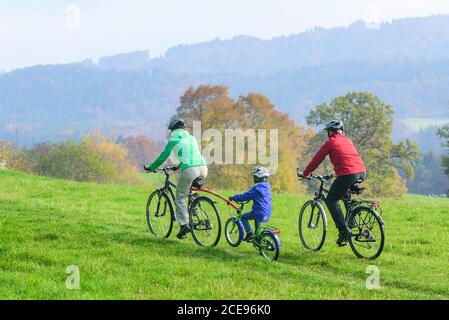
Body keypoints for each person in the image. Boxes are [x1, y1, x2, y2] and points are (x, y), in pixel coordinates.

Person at [298, 120, 366, 247]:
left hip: (348, 174)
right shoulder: (347, 140)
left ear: (330, 132)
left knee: (331, 200)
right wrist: (335, 173)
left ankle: (344, 231)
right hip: (361, 172)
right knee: (345, 194)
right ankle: (352, 221)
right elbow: (347, 159)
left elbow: (316, 160)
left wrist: (306, 173)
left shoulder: (331, 142)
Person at [144, 117, 208, 240]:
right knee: (189, 190)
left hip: (190, 170)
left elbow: (163, 157)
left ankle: (184, 225)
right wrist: (178, 166)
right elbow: (191, 155)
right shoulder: (191, 138)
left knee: (179, 198)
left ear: (172, 130)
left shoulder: (173, 139)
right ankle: (195, 204)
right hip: (203, 168)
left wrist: (151, 167)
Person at [229, 166, 272, 242]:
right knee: (257, 229)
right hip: (267, 212)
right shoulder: (267, 187)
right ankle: (259, 242)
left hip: (258, 212)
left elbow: (244, 196)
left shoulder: (256, 189)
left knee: (243, 217)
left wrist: (234, 197)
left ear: (257, 178)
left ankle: (249, 233)